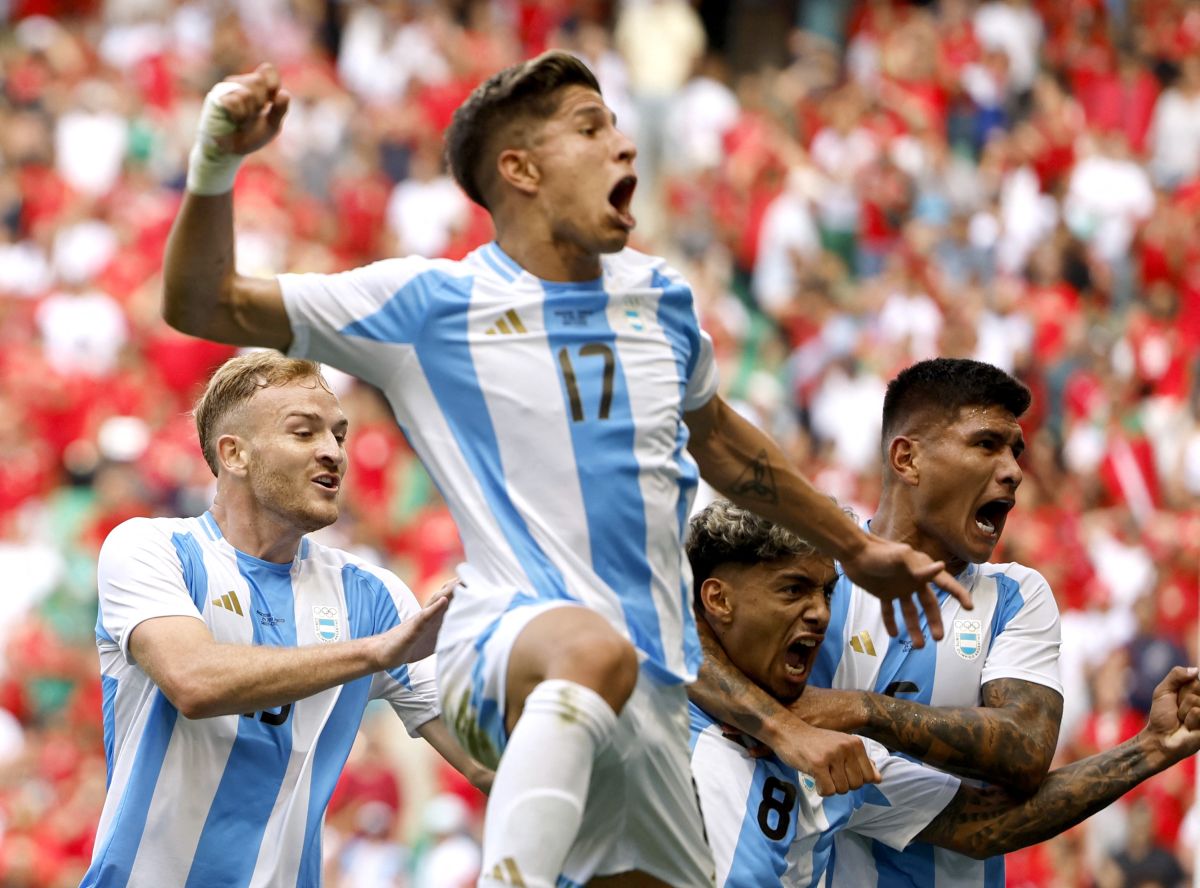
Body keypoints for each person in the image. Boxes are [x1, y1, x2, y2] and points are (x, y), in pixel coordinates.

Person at [162, 54, 973, 887]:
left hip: (652, 695)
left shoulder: (660, 298)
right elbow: (201, 301)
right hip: (508, 646)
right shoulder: (429, 306)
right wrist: (217, 158)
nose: (622, 146)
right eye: (591, 128)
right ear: (521, 169)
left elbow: (723, 443)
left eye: (617, 125)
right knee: (591, 646)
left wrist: (857, 548)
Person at [82, 352, 489, 888]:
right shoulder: (152, 549)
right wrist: (374, 653)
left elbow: (487, 764)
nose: (333, 452)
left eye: (339, 436)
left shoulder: (374, 598)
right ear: (235, 455)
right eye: (304, 433)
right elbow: (193, 680)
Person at [685, 499, 1200, 887]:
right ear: (717, 599)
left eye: (826, 591)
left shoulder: (841, 758)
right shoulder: (650, 703)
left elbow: (993, 823)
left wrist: (1149, 748)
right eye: (793, 590)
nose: (820, 613)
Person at [691, 357, 1064, 885]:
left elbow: (1026, 747)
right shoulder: (811, 573)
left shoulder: (1015, 595)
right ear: (907, 458)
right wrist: (781, 727)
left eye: (1014, 450)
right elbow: (680, 634)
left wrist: (859, 710)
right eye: (986, 444)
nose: (1013, 470)